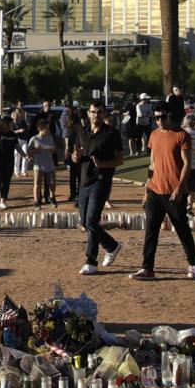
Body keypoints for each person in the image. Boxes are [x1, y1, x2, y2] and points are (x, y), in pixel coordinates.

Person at [134, 105, 195, 280]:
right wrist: (146, 190)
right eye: (156, 118)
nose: (159, 121)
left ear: (170, 116)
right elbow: (152, 162)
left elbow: (187, 164)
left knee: (181, 228)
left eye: (162, 117)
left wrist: (179, 188)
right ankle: (147, 268)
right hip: (155, 190)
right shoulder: (154, 135)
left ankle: (193, 264)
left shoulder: (182, 135)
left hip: (174, 192)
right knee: (151, 231)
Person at [74, 100, 123, 274]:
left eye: (100, 112)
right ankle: (112, 246)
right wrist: (75, 156)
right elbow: (74, 156)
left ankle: (91, 261)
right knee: (86, 224)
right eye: (93, 112)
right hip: (84, 181)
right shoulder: (81, 131)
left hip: (101, 180)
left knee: (91, 220)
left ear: (104, 114)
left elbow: (120, 160)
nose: (96, 115)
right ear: (88, 114)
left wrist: (102, 163)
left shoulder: (112, 134)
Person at [26, 115, 58, 209]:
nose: (48, 129)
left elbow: (54, 149)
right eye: (46, 128)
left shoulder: (50, 138)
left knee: (52, 183)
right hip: (38, 165)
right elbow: (28, 152)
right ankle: (36, 202)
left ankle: (52, 197)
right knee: (37, 184)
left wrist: (53, 150)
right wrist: (36, 150)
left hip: (50, 164)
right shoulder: (34, 139)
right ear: (40, 128)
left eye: (48, 128)